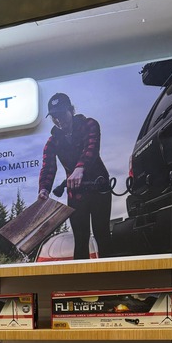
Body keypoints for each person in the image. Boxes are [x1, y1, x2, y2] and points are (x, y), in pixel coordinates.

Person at [38, 92, 112, 259]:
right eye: (54, 117)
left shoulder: (89, 124)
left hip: (99, 187)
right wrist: (44, 189)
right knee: (80, 238)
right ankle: (82, 275)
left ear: (71, 110)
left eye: (62, 114)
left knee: (102, 233)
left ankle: (109, 273)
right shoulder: (52, 142)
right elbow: (48, 167)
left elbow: (91, 148)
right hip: (76, 194)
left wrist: (80, 168)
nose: (59, 120)